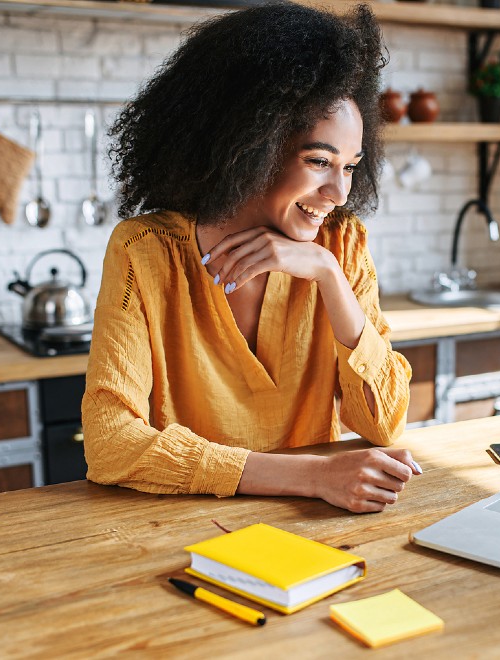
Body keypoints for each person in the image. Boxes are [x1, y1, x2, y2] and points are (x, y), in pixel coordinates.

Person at [81, 2, 418, 514]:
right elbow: (109, 445)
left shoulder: (341, 246)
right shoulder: (144, 252)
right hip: (186, 526)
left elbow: (385, 424)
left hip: (318, 525)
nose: (339, 192)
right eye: (319, 161)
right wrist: (314, 476)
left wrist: (328, 275)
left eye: (351, 166)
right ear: (247, 146)